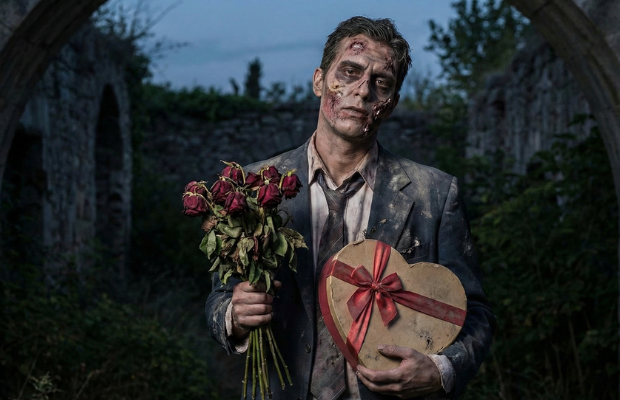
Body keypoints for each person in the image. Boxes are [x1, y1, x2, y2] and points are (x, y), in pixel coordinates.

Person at [206, 16, 494, 400]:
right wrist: (233, 316)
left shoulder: (434, 194)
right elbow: (219, 297)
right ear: (319, 80)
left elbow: (473, 312)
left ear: (391, 103)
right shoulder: (256, 187)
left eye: (381, 83)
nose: (362, 92)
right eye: (351, 71)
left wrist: (441, 369)